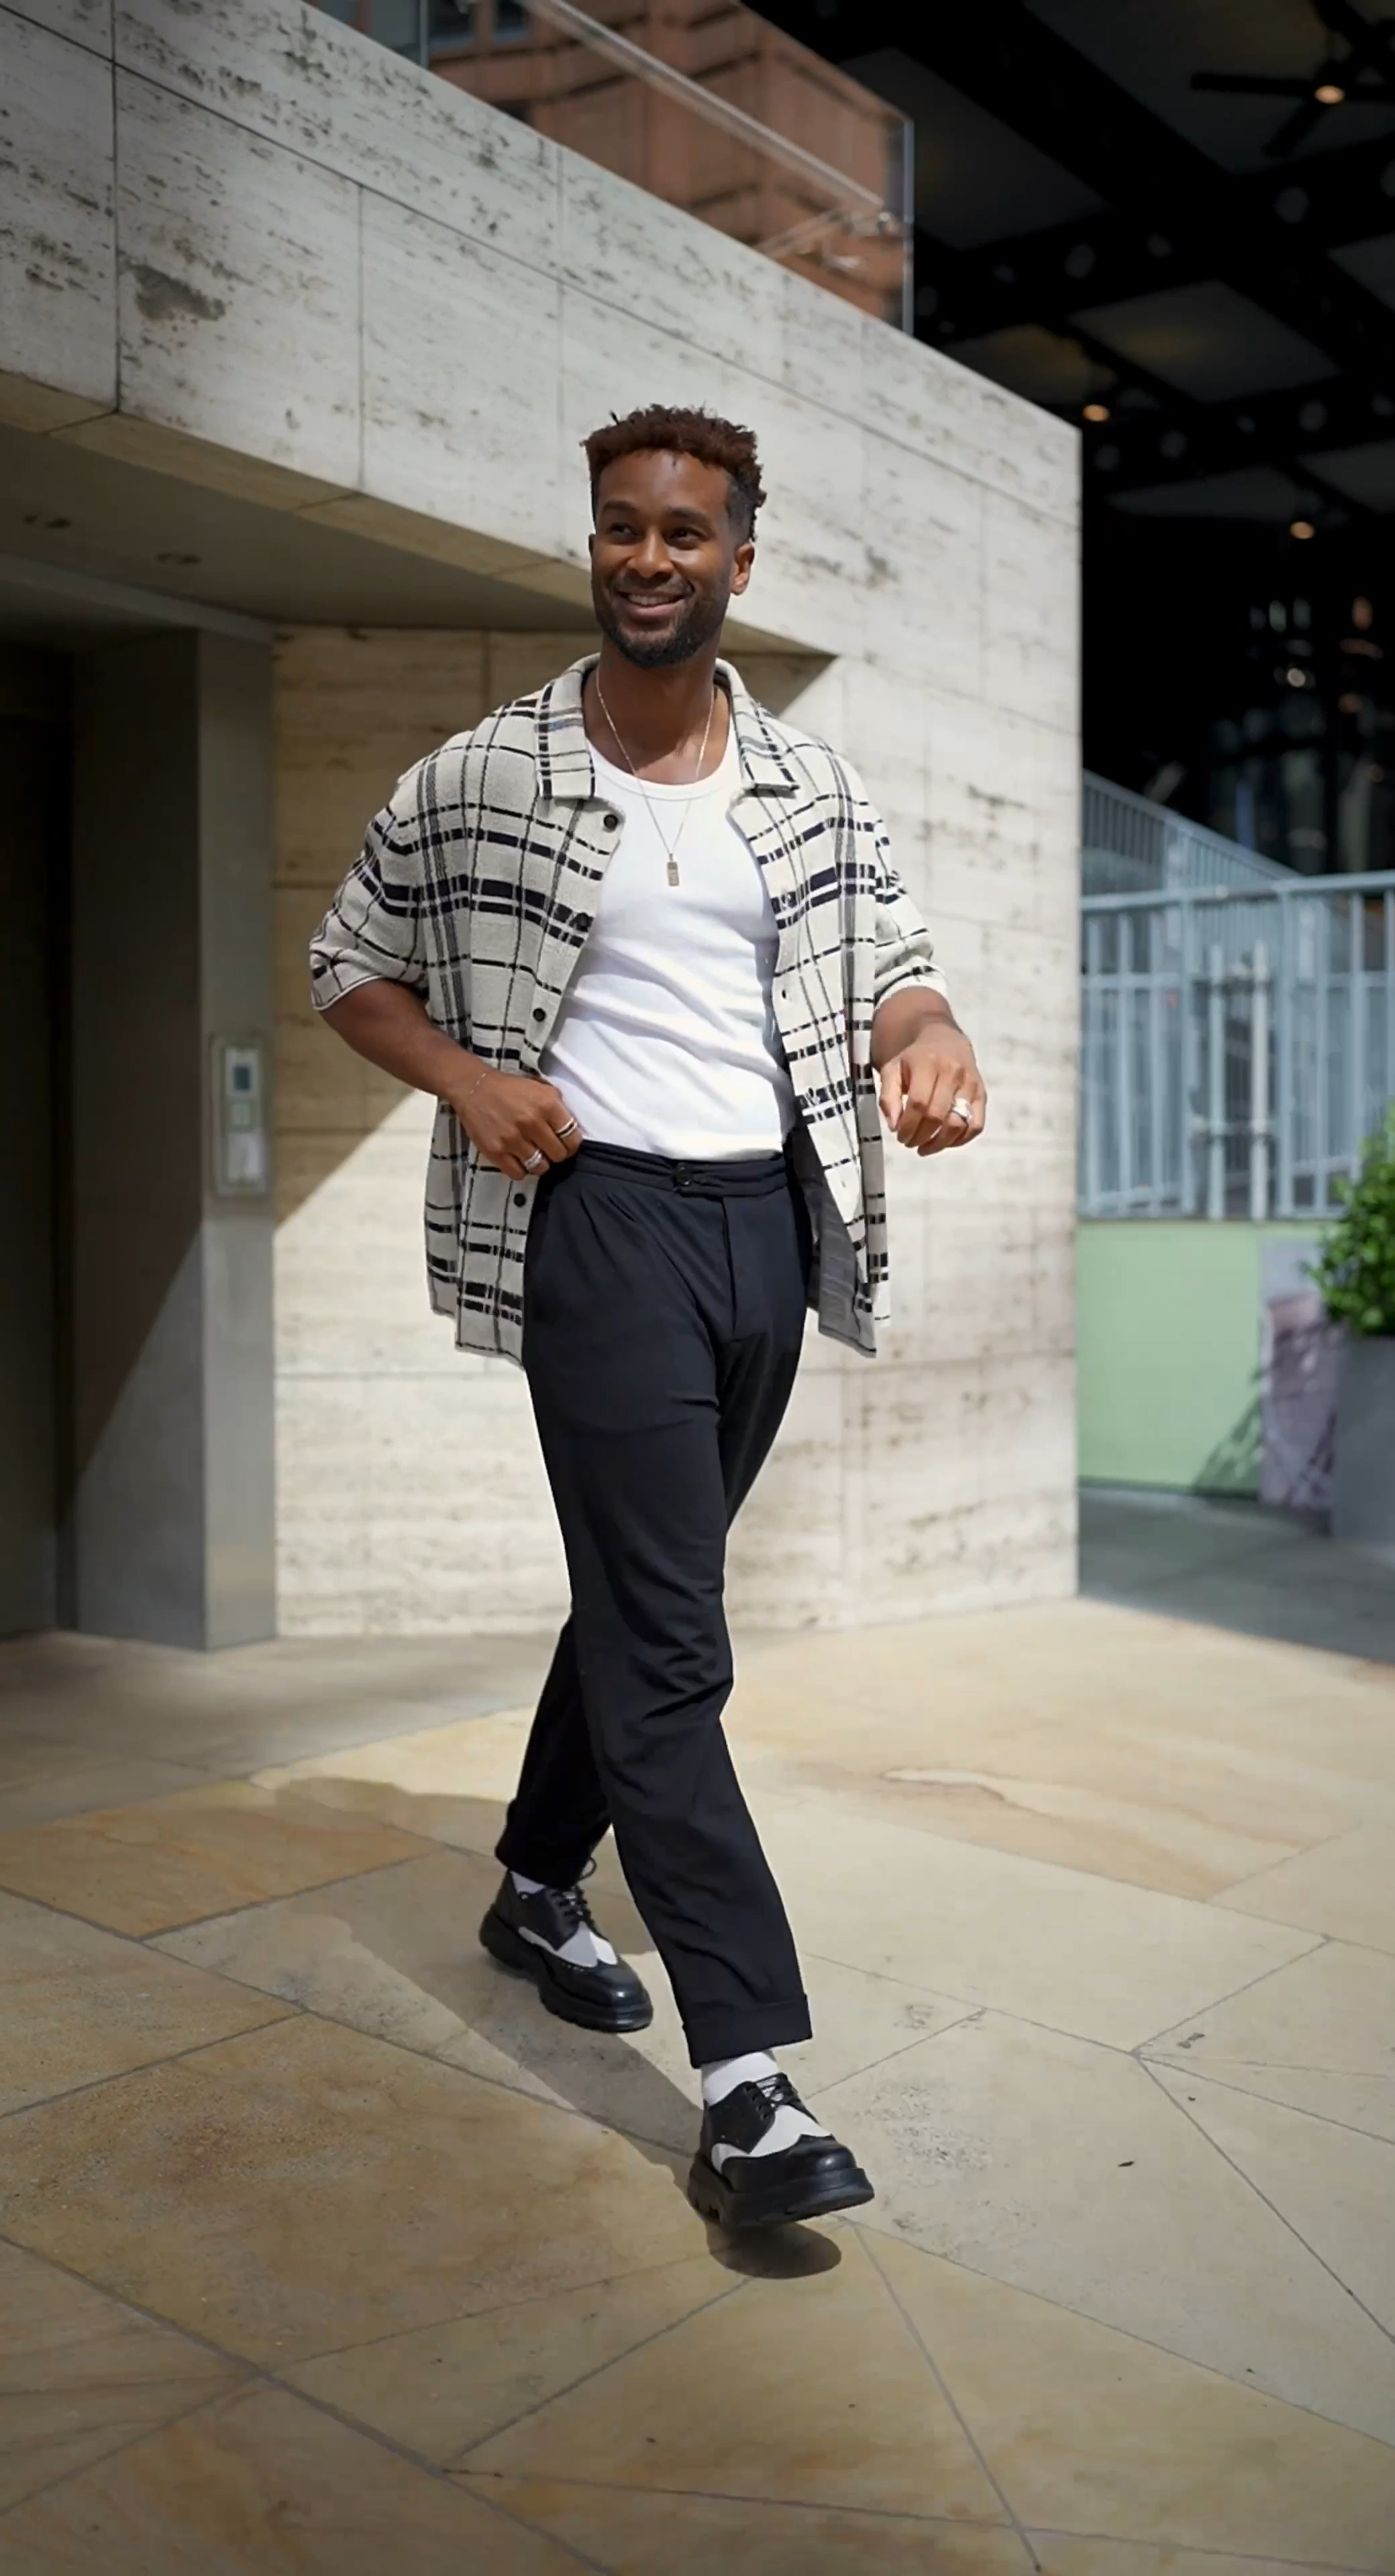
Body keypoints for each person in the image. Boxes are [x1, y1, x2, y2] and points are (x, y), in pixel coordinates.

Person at [310, 404, 986, 2231]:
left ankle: (537, 1881)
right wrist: (468, 1078)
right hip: (595, 1224)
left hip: (767, 1227)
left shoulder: (809, 791)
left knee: (639, 1595)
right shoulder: (487, 775)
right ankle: (750, 2083)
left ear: (738, 562)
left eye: (687, 533)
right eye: (623, 528)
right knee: (677, 1644)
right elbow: (344, 968)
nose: (650, 559)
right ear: (592, 543)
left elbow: (901, 974)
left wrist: (930, 1046)